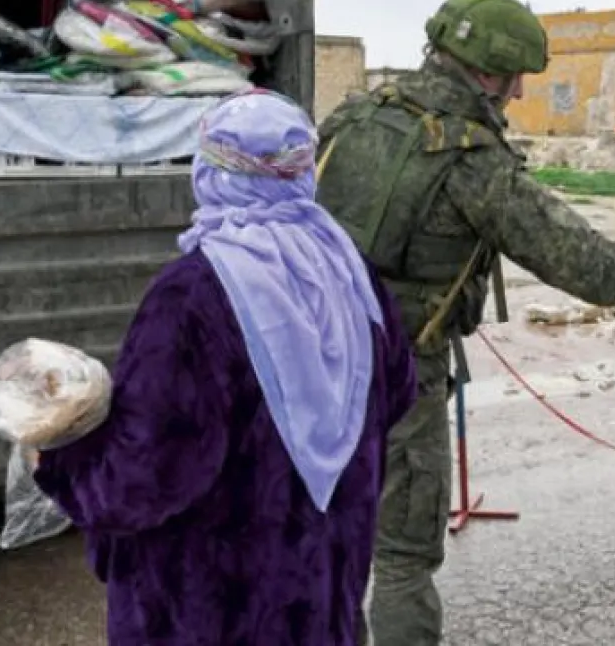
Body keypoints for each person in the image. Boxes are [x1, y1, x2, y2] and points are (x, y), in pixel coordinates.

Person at [314, 0, 615, 646]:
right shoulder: (471, 160)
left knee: (324, 533)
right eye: (516, 82)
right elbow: (593, 267)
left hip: (314, 358)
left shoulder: (352, 115)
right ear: (489, 73)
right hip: (401, 374)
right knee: (401, 560)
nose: (517, 96)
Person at [22, 90, 418, 645]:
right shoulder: (350, 274)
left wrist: (53, 450)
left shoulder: (193, 297)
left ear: (208, 172)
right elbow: (397, 393)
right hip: (323, 594)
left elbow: (142, 478)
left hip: (214, 611)